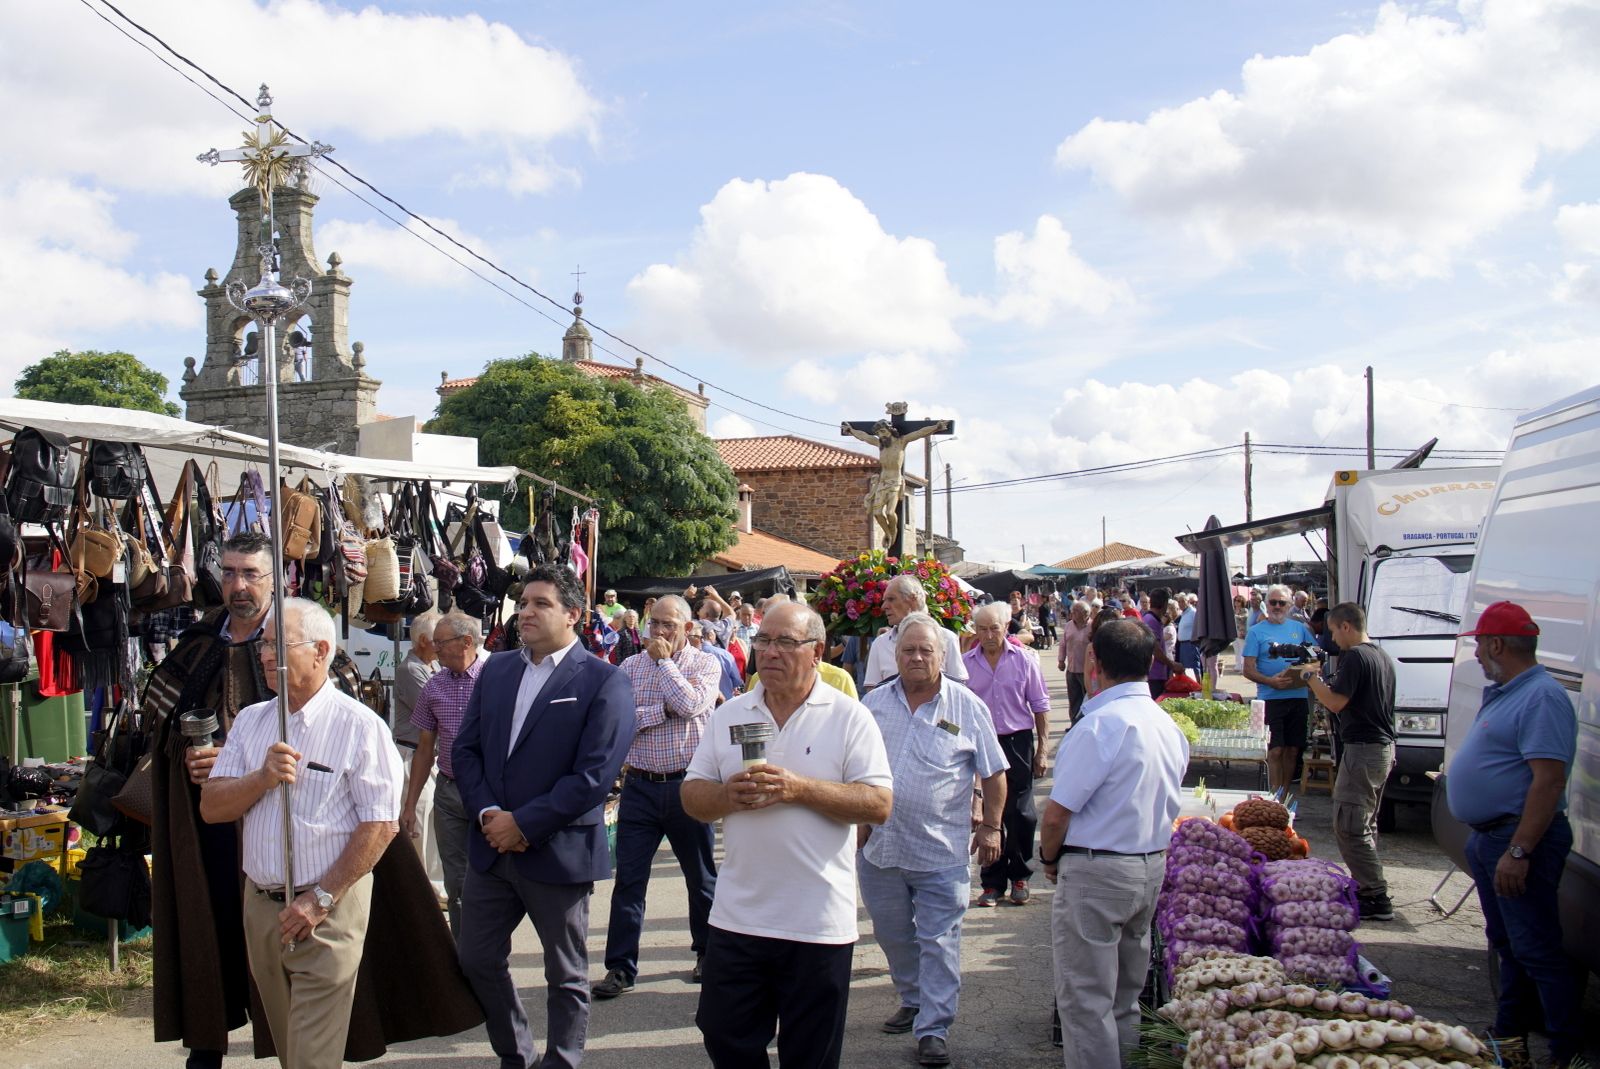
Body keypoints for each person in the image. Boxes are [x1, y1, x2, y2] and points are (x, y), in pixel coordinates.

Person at [149, 532, 477, 1068]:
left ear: (274, 579)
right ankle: (208, 1047)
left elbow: (342, 720)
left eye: (250, 574)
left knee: (311, 1032)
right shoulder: (199, 645)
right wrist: (187, 754)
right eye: (228, 573)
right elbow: (162, 722)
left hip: (320, 864)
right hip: (220, 838)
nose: (237, 585)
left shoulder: (311, 637)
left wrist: (323, 894)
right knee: (216, 941)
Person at [682, 602, 894, 1069]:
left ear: (817, 651)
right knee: (723, 1034)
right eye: (762, 641)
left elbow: (878, 804)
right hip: (738, 917)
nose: (769, 652)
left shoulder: (848, 716)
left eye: (784, 642)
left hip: (816, 923)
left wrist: (799, 788)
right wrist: (725, 797)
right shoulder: (730, 712)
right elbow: (693, 796)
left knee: (810, 1056)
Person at [199, 598, 403, 1069]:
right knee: (292, 1052)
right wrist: (261, 778)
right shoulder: (251, 721)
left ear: (321, 650)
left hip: (328, 906)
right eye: (264, 644)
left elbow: (381, 824)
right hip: (262, 909)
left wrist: (320, 900)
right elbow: (212, 807)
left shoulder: (360, 727)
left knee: (311, 1058)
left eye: (278, 644)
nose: (265, 654)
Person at [453, 566, 636, 1069]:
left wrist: (525, 824)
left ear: (574, 615)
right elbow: (465, 750)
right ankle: (516, 1054)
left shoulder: (605, 681)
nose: (524, 612)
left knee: (565, 973)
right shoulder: (498, 669)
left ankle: (561, 1061)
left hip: (557, 852)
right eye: (523, 602)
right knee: (476, 958)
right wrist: (490, 813)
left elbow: (594, 776)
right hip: (491, 848)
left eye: (540, 604)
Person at [1037, 619, 1189, 1069]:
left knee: (1086, 1002)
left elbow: (1057, 814)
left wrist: (1049, 859)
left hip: (1100, 870)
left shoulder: (1101, 723)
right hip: (1147, 866)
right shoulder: (1165, 724)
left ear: (1094, 662)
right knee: (1123, 998)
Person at [859, 612, 1006, 1066]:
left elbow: (995, 772)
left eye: (926, 650)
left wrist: (991, 825)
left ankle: (934, 1028)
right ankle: (913, 996)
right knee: (893, 933)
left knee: (939, 940)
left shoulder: (966, 707)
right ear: (895, 655)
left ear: (943, 655)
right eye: (908, 650)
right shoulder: (873, 705)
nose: (917, 657)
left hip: (941, 850)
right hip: (881, 849)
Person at [1445, 602, 1582, 1068]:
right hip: (1492, 838)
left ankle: (1568, 1054)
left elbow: (1548, 781)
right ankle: (1509, 1040)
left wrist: (1519, 850)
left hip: (1517, 840)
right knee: (1509, 947)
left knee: (1537, 950)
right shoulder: (1511, 691)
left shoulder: (1542, 697)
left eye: (1480, 644)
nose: (1477, 654)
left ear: (1498, 644)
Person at [594, 596, 721, 999]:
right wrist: (659, 712)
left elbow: (690, 704)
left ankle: (707, 953)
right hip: (642, 786)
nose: (660, 633)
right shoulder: (629, 666)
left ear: (687, 627)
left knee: (700, 878)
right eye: (654, 625)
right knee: (629, 879)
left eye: (669, 625)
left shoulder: (705, 663)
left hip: (689, 785)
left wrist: (666, 666)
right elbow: (622, 721)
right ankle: (620, 966)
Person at [1297, 603, 1397, 920]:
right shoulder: (1380, 654)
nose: (1332, 640)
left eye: (1333, 631)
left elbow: (1336, 702)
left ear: (1345, 627)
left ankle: (1374, 895)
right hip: (1381, 748)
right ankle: (1365, 886)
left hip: (1365, 748)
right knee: (1364, 822)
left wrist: (1311, 678)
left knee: (1350, 824)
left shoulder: (1355, 656)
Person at [399, 612, 484, 937]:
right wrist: (409, 806)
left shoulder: (494, 680)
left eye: (440, 642)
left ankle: (489, 955)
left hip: (488, 792)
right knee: (456, 880)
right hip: (448, 791)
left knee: (491, 878)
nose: (434, 649)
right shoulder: (434, 686)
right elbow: (424, 748)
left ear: (465, 642)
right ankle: (464, 956)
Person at [964, 603, 1051, 908]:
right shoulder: (966, 665)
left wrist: (1042, 749)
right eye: (982, 629)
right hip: (982, 743)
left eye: (994, 628)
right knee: (989, 813)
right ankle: (991, 881)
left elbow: (1040, 707)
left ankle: (1020, 875)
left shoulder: (1024, 660)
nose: (988, 635)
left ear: (1006, 627)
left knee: (1021, 812)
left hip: (1017, 740)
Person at [1242, 584, 1318, 793]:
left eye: (1281, 602)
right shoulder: (1256, 632)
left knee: (1293, 750)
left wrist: (1304, 671)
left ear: (1290, 605)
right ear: (1266, 604)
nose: (1277, 606)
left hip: (1298, 697)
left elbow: (1316, 657)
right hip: (1270, 698)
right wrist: (1270, 681)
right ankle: (1274, 797)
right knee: (1274, 751)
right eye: (1273, 602)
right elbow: (1247, 670)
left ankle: (1283, 799)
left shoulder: (1300, 629)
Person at [394, 613, 444, 902]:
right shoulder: (410, 669)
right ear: (425, 640)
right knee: (419, 824)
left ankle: (437, 887)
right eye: (438, 638)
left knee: (433, 824)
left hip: (429, 755)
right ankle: (422, 893)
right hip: (412, 754)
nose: (441, 644)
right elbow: (435, 708)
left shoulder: (432, 665)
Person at [863, 574, 969, 690]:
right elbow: (872, 694)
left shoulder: (947, 638)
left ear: (913, 599)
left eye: (891, 599)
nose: (884, 606)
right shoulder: (880, 644)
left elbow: (959, 688)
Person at [1140, 588, 1186, 699]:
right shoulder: (1150, 620)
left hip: (1158, 673)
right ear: (1165, 603)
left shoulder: (1154, 619)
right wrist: (1172, 664)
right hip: (1153, 675)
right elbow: (1155, 650)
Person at [1056, 601, 1092, 723]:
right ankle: (1074, 724)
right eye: (1072, 611)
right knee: (1074, 698)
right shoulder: (1069, 625)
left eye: (1076, 611)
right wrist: (1061, 660)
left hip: (1087, 670)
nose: (1072, 613)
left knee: (1088, 699)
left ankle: (1087, 722)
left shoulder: (1092, 626)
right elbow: (1063, 644)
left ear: (1085, 613)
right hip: (1072, 669)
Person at [691, 621, 743, 702]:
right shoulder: (725, 655)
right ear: (710, 635)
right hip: (725, 705)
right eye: (715, 632)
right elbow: (737, 682)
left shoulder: (689, 654)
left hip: (700, 705)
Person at [1175, 593, 1202, 676]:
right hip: (1182, 645)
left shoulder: (1193, 612)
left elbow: (1199, 626)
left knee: (1193, 667)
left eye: (1183, 601)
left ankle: (1198, 686)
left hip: (1191, 644)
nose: (1180, 604)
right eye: (1179, 602)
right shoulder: (1183, 614)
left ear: (1188, 602)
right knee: (1185, 668)